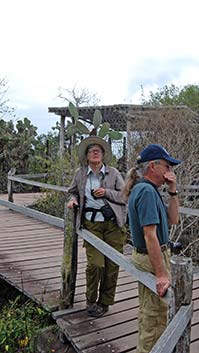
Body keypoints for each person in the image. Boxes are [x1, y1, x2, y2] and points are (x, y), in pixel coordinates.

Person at [124, 144, 181, 353]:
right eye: (166, 166)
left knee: (151, 311)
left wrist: (173, 191)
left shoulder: (151, 190)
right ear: (152, 166)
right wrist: (161, 274)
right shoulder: (146, 192)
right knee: (155, 318)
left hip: (152, 255)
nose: (169, 171)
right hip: (151, 257)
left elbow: (173, 219)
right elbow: (150, 235)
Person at [67, 136, 127, 317]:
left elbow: (125, 196)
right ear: (86, 155)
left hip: (112, 226)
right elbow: (71, 192)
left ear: (103, 155)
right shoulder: (80, 173)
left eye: (98, 150)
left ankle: (105, 302)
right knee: (95, 265)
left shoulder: (113, 173)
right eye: (91, 150)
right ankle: (91, 300)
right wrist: (72, 200)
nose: (95, 152)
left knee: (111, 266)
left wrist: (106, 192)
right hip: (91, 225)